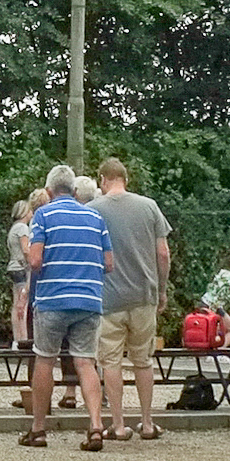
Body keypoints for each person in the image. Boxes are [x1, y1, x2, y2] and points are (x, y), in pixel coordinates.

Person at [22, 163, 112, 452]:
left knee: (45, 360)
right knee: (85, 362)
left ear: (49, 191)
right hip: (89, 300)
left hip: (52, 300)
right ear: (74, 190)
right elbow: (109, 263)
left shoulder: (43, 215)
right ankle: (96, 426)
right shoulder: (95, 218)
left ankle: (38, 429)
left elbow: (35, 260)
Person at [92, 156, 172, 441]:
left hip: (108, 297)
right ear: (126, 179)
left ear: (103, 179)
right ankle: (147, 423)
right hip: (143, 295)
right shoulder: (149, 207)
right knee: (143, 360)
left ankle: (118, 425)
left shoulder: (93, 210)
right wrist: (161, 290)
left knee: (111, 362)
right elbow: (163, 253)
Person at [6, 199, 36, 348]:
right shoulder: (23, 228)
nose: (32, 214)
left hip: (13, 267)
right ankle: (22, 340)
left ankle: (16, 339)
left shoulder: (14, 228)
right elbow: (25, 249)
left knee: (16, 304)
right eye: (30, 211)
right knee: (21, 305)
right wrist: (32, 263)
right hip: (21, 269)